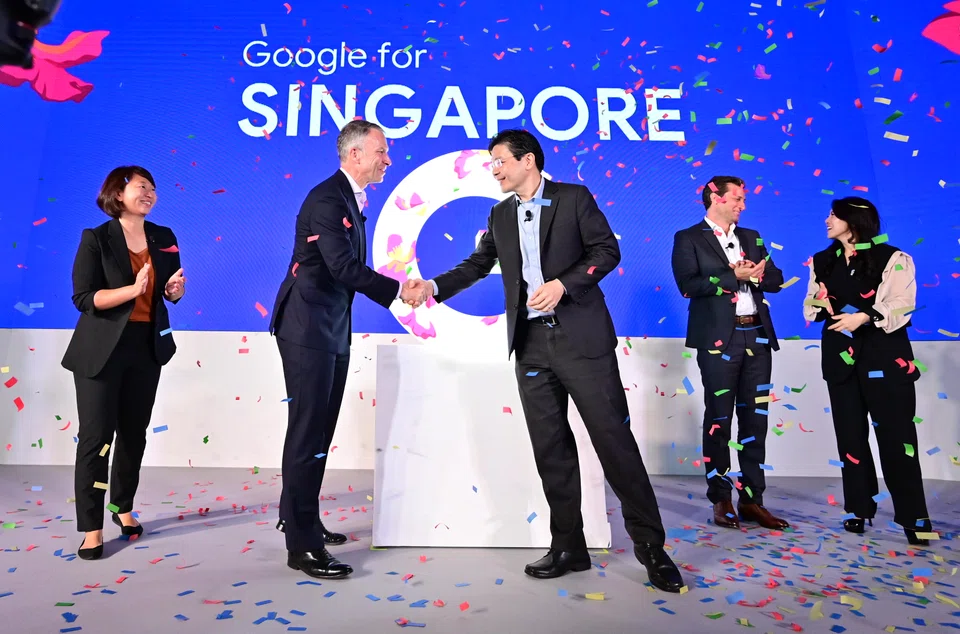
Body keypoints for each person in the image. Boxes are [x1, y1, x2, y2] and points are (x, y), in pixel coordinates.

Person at [405, 129, 684, 593]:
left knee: (614, 443)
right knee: (551, 451)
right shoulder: (499, 214)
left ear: (528, 160)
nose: (493, 169)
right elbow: (477, 264)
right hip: (531, 345)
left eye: (499, 161)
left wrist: (564, 284)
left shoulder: (574, 198)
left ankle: (652, 549)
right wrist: (433, 287)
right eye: (491, 162)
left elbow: (606, 251)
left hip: (583, 342)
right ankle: (568, 546)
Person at [269, 120, 423, 579]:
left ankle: (302, 518)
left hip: (329, 326)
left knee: (316, 432)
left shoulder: (349, 200)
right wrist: (400, 291)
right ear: (355, 154)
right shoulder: (326, 199)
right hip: (306, 327)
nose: (388, 160)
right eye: (381, 151)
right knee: (307, 433)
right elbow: (342, 267)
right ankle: (302, 547)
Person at [62, 166, 186, 561]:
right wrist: (131, 290)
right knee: (97, 441)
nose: (149, 193)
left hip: (146, 347)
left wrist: (173, 291)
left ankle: (123, 508)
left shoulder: (164, 237)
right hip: (101, 351)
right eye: (141, 187)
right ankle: (92, 529)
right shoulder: (96, 238)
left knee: (134, 434)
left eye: (153, 187)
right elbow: (84, 298)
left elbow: (167, 295)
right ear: (118, 193)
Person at [803, 197, 933, 545]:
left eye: (834, 215)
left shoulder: (893, 258)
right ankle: (858, 508)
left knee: (897, 440)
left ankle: (913, 517)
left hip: (885, 359)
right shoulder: (822, 260)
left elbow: (901, 305)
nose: (828, 219)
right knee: (850, 438)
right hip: (839, 359)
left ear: (854, 221)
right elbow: (811, 304)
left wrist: (864, 316)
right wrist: (822, 303)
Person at [670, 176, 789, 531]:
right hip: (718, 339)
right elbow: (687, 285)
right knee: (720, 418)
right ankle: (721, 497)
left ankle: (753, 500)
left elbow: (777, 279)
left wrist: (757, 277)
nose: (742, 205)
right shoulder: (688, 237)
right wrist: (730, 276)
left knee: (756, 420)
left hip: (757, 335)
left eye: (743, 199)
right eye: (736, 198)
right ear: (714, 198)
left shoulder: (751, 237)